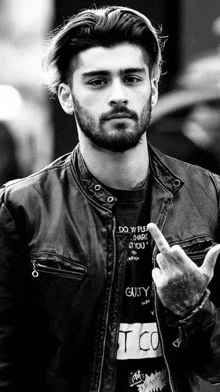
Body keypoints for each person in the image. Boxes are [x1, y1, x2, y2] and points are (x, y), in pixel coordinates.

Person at [0, 6, 220, 392]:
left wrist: (192, 308)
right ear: (67, 97)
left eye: (132, 78)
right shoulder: (23, 208)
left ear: (152, 88)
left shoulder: (211, 196)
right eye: (98, 81)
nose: (119, 95)